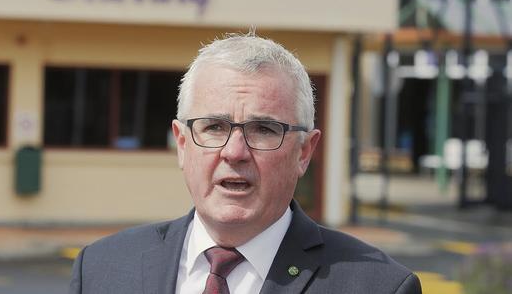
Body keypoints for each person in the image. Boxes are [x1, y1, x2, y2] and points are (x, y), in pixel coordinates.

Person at [68, 33, 422, 294]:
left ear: (304, 152)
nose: (234, 152)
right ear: (181, 143)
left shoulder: (379, 288)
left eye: (264, 129)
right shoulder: (102, 270)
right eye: (215, 127)